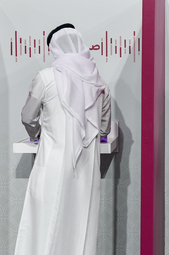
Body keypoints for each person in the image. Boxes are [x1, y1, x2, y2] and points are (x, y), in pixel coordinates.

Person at [15, 24, 111, 255]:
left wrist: (36, 134)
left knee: (46, 222)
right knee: (81, 225)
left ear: (54, 48)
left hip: (53, 164)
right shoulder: (99, 83)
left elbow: (28, 117)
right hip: (87, 168)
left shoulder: (45, 77)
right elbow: (104, 127)